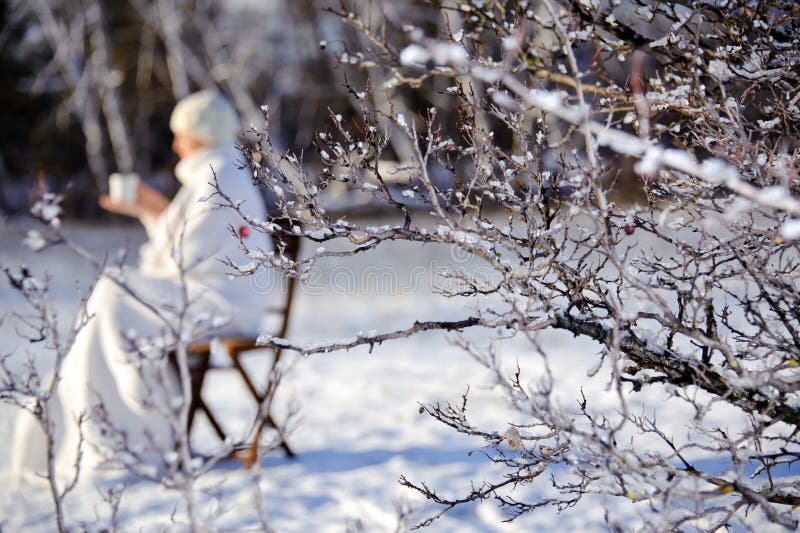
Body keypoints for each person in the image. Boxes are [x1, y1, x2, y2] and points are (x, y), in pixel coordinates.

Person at [11, 90, 271, 484]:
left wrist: (153, 212)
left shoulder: (219, 174)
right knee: (112, 296)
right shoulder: (219, 170)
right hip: (214, 296)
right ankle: (110, 436)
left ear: (200, 134)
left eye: (180, 134)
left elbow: (178, 259)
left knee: (115, 294)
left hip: (223, 303)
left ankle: (127, 442)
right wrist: (153, 212)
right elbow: (187, 248)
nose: (174, 144)